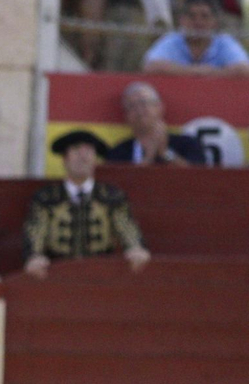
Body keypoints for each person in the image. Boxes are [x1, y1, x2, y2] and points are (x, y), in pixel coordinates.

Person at [24, 130, 151, 278]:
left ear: (95, 160)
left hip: (102, 274)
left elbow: (126, 226)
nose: (83, 157)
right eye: (76, 150)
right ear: (65, 159)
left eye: (89, 151)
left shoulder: (111, 196)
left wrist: (135, 247)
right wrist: (33, 256)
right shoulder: (46, 198)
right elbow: (36, 230)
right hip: (57, 272)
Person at [143, 0, 249, 75]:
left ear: (215, 22)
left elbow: (244, 69)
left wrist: (212, 73)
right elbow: (150, 66)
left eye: (205, 16)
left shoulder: (224, 41)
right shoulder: (172, 40)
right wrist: (197, 71)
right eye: (192, 16)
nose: (198, 22)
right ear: (182, 20)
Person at [109, 80, 208, 164]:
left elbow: (197, 177)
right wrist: (148, 158)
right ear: (126, 116)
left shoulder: (188, 144)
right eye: (132, 106)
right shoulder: (118, 152)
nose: (139, 110)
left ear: (159, 107)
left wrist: (165, 153)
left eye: (143, 103)